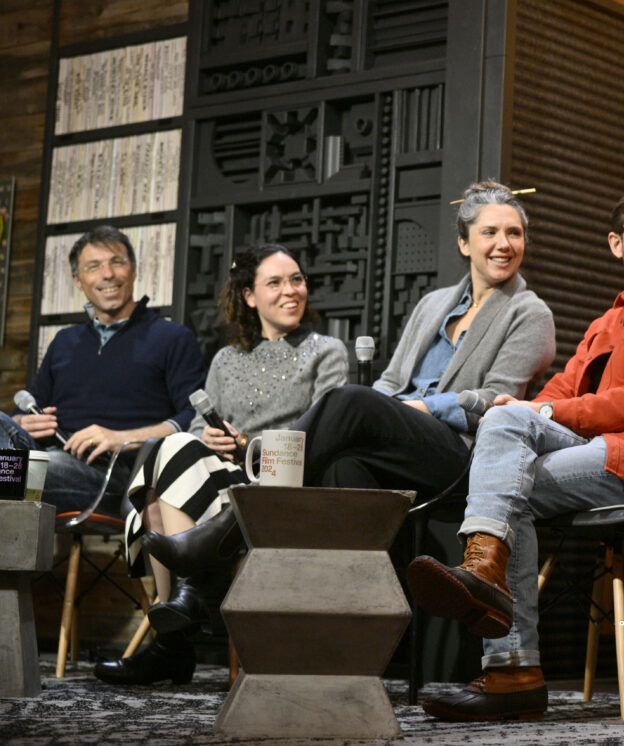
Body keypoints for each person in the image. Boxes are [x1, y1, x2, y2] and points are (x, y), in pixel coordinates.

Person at [138, 179, 556, 617]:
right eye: (490, 232)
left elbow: (494, 401)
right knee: (342, 466)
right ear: (464, 243)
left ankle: (230, 526)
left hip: (462, 453)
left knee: (352, 399)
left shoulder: (529, 313)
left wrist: (416, 408)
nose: (503, 244)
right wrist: (389, 409)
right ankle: (350, 623)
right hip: (405, 443)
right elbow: (391, 381)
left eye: (514, 233)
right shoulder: (434, 304)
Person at [406, 179, 624, 721]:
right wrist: (532, 406)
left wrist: (546, 412)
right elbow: (564, 386)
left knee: (502, 476)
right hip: (595, 451)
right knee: (505, 461)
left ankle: (505, 646)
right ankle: (505, 643)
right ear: (616, 243)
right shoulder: (608, 320)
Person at [93, 243, 348, 686]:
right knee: (174, 447)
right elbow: (195, 429)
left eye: (296, 280)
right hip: (217, 478)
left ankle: (173, 640)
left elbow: (325, 430)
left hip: (280, 479)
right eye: (275, 283)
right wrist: (207, 436)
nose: (290, 291)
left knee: (167, 468)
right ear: (249, 296)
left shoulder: (327, 351)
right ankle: (183, 607)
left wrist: (246, 442)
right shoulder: (226, 360)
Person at [0, 225, 206, 515]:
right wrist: (23, 421)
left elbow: (194, 416)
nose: (107, 274)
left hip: (115, 474)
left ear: (133, 270)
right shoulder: (64, 341)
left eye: (117, 262)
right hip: (48, 456)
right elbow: (27, 405)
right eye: (94, 266)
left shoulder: (172, 337)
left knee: (18, 471)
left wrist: (121, 438)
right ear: (78, 280)